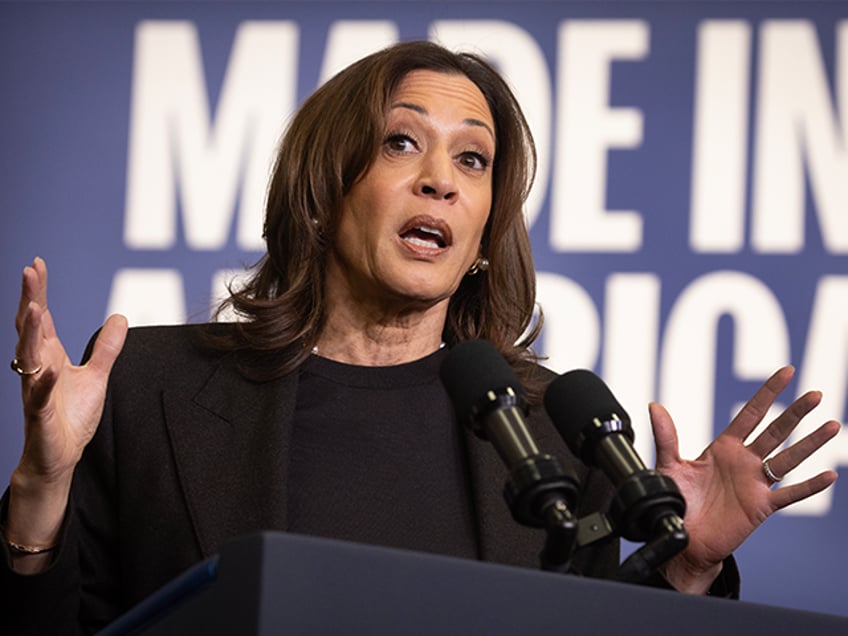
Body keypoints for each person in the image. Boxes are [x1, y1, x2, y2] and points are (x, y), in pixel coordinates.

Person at [1, 41, 840, 634]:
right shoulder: (151, 386)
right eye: (401, 142)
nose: (440, 178)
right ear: (323, 193)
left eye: (473, 161)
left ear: (482, 236)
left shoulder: (550, 428)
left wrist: (687, 567)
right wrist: (41, 487)